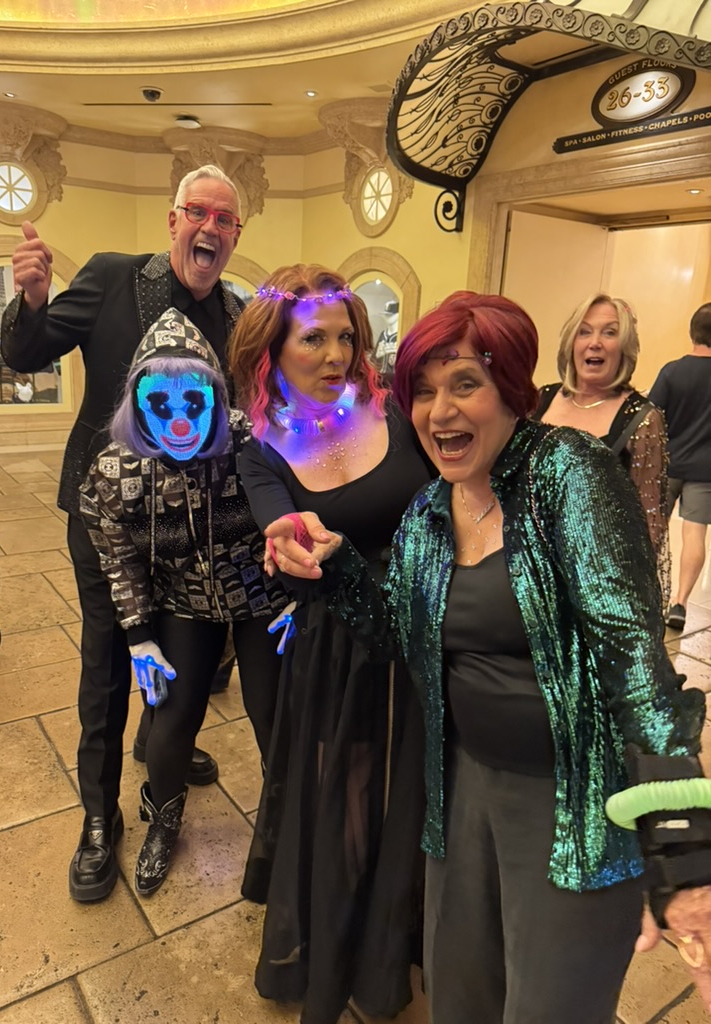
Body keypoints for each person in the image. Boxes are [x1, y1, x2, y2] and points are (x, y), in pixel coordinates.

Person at [266, 291, 711, 1024]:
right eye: (424, 391)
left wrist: (684, 856)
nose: (440, 412)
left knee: (548, 1008)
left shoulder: (567, 473)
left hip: (569, 804)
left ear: (510, 388)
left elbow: (634, 660)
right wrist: (336, 565)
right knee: (460, 999)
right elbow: (396, 637)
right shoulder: (430, 510)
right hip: (461, 793)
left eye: (464, 384)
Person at [0, 164, 247, 902]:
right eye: (196, 211)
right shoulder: (112, 277)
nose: (209, 227)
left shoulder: (235, 315)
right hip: (106, 514)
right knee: (110, 656)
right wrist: (32, 300)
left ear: (235, 236)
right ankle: (100, 818)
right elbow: (25, 353)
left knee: (178, 646)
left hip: (193, 526)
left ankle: (158, 744)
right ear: (173, 220)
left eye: (224, 219)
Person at [227, 265, 433, 1024]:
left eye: (347, 334)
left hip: (430, 629)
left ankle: (406, 939)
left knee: (417, 795)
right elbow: (282, 529)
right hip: (342, 650)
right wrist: (291, 547)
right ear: (273, 349)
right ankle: (350, 957)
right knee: (349, 807)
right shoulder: (262, 448)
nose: (337, 352)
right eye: (315, 337)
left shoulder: (398, 411)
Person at [79, 308, 286, 894]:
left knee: (276, 716)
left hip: (262, 597)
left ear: (217, 402)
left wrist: (302, 595)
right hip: (183, 604)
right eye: (159, 403)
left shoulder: (256, 440)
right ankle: (163, 819)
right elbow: (117, 559)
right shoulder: (115, 473)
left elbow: (299, 510)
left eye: (193, 403)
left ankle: (282, 826)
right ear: (137, 402)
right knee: (171, 722)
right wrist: (140, 635)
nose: (177, 420)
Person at [534, 293, 670, 606]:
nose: (595, 342)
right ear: (571, 342)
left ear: (624, 347)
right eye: (585, 331)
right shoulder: (541, 399)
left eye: (609, 332)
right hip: (531, 577)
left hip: (597, 586)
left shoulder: (642, 419)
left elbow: (650, 525)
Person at [650, 302, 711, 631]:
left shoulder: (672, 371)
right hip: (706, 471)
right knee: (694, 536)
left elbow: (651, 417)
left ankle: (646, 594)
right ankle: (680, 603)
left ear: (692, 332)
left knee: (652, 531)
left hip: (667, 463)